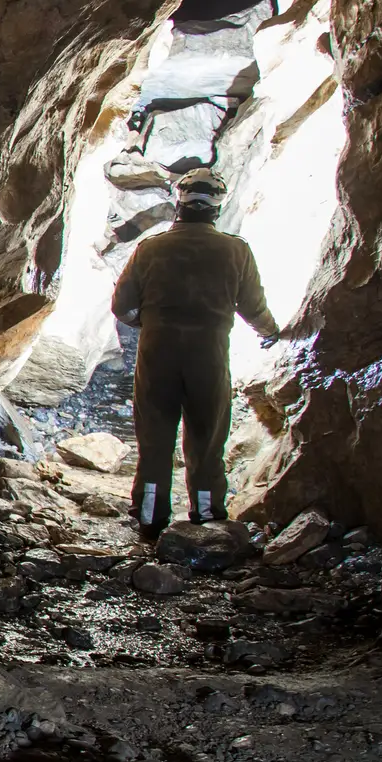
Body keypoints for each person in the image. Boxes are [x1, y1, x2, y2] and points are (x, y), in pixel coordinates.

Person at [112, 169, 281, 541]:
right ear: (217, 207)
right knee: (206, 440)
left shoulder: (150, 248)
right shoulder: (236, 250)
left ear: (179, 203)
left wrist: (151, 324)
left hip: (158, 357)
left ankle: (149, 518)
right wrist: (272, 333)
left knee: (155, 439)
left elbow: (122, 306)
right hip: (209, 359)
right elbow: (253, 308)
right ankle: (206, 516)